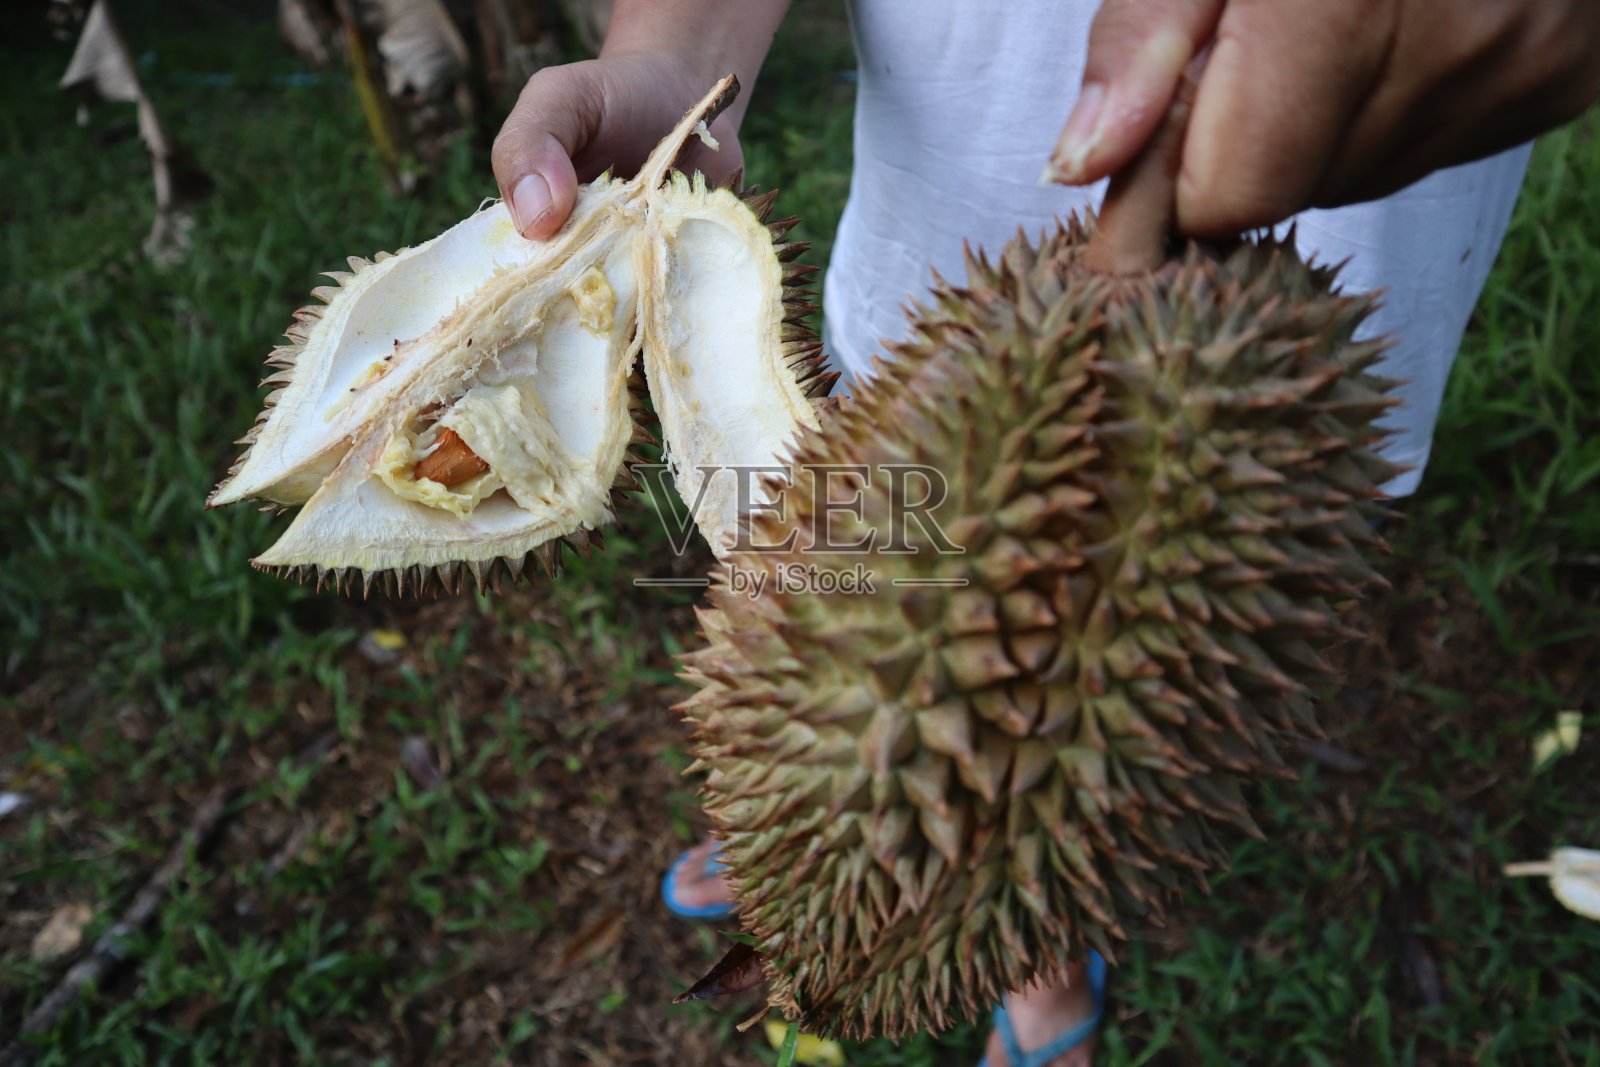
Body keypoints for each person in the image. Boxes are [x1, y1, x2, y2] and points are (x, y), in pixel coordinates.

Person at [492, 2, 1600, 1064]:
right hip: (949, 258)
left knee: (1083, 689)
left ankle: (1024, 959)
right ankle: (791, 858)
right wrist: (678, 56)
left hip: (1358, 184)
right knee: (837, 578)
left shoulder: (1264, 376)